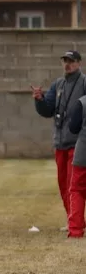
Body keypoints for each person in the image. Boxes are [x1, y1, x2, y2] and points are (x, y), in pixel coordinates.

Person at [32, 50, 85, 230]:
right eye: (64, 61)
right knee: (63, 183)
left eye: (71, 61)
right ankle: (73, 218)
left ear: (79, 63)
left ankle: (75, 221)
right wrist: (39, 100)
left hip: (77, 142)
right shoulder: (58, 84)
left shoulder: (84, 82)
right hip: (60, 142)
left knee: (73, 183)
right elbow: (47, 110)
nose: (67, 64)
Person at [66, 92, 86, 238]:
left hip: (83, 155)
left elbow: (73, 128)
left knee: (77, 191)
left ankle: (76, 230)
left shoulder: (82, 103)